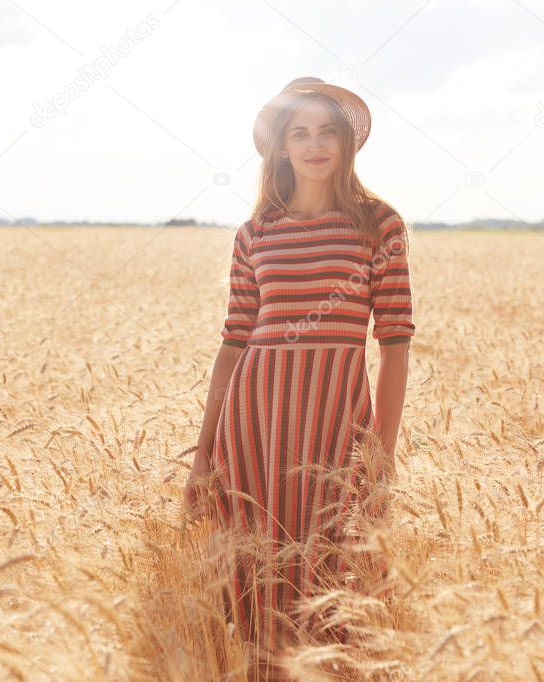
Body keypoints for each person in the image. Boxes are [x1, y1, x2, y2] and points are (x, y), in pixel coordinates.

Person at [182, 76, 415, 680]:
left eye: (327, 132)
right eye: (300, 133)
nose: (315, 145)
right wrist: (203, 456)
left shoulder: (378, 225)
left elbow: (394, 345)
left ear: (346, 144)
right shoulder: (256, 232)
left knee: (337, 592)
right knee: (253, 595)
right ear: (281, 147)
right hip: (251, 428)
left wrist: (380, 458)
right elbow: (232, 346)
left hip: (337, 431)